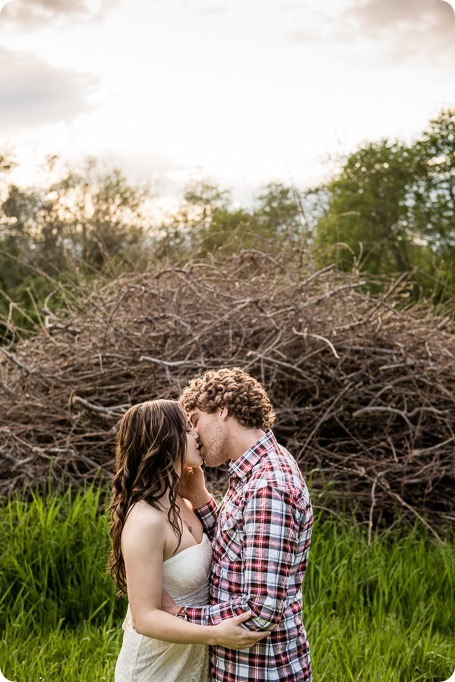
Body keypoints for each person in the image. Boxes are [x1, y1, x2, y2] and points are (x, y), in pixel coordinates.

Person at [164, 367, 313, 681]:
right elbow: (239, 549)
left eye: (194, 422)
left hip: (261, 672)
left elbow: (260, 610)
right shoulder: (252, 471)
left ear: (222, 411)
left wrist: (178, 616)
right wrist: (202, 500)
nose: (192, 436)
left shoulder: (269, 486)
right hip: (240, 667)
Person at [108, 399, 268, 682]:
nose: (197, 434)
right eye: (186, 429)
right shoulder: (146, 520)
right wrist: (215, 634)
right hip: (155, 668)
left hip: (193, 662)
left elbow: (227, 546)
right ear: (164, 442)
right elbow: (144, 619)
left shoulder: (184, 502)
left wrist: (201, 495)